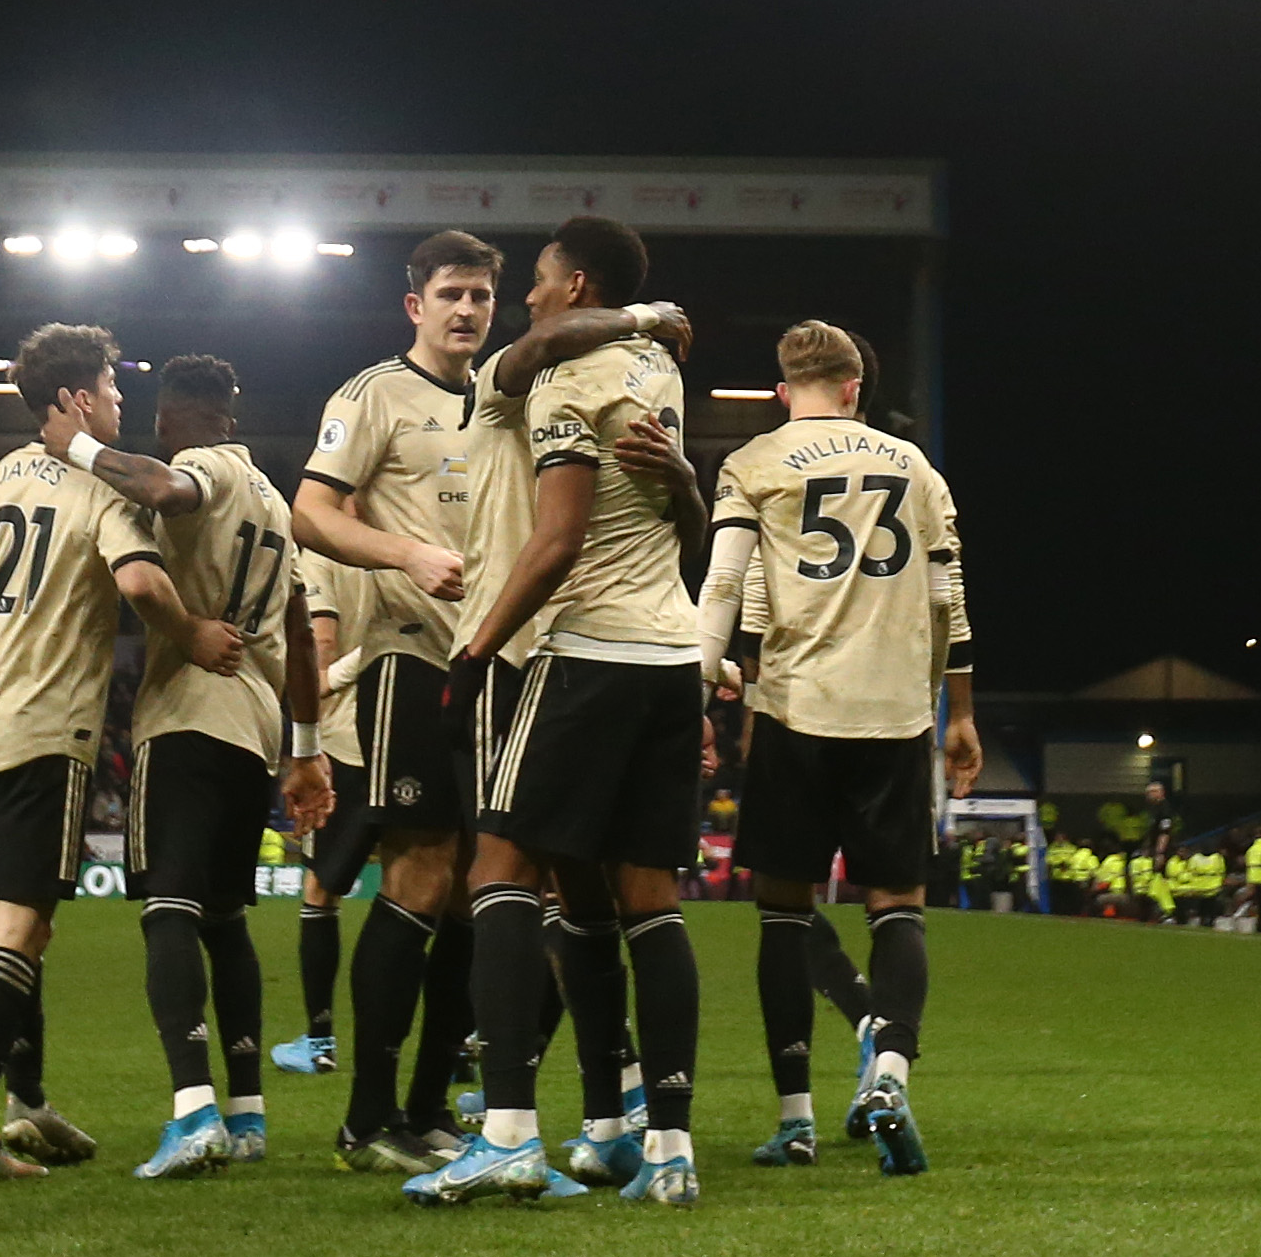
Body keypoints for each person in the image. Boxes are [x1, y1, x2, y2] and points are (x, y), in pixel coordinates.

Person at [288, 232, 683, 1174]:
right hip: (417, 659)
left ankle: (439, 1109)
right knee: (424, 871)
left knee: (502, 887)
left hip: (524, 657)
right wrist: (407, 554)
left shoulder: (524, 380)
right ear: (413, 305)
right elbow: (308, 510)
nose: (467, 310)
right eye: (450, 294)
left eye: (482, 294)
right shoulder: (374, 392)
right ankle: (369, 1117)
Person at [407, 216, 712, 1208]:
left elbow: (559, 538)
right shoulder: (654, 369)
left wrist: (476, 645)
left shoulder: (560, 377)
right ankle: (656, 1140)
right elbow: (678, 521)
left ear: (571, 282)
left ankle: (502, 1132)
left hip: (579, 651)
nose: (525, 296)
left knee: (499, 866)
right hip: (671, 655)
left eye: (538, 279)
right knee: (639, 897)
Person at [0, 319, 196, 1182]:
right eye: (114, 388)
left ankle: (26, 1100)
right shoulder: (101, 490)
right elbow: (143, 583)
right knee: (23, 925)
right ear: (77, 400)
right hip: (47, 729)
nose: (123, 400)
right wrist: (192, 640)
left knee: (20, 920)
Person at [703, 318, 978, 1176]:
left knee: (782, 913)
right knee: (896, 905)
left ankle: (795, 1119)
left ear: (784, 393)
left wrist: (698, 681)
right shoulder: (916, 470)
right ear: (856, 388)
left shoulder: (752, 463)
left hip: (796, 708)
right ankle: (890, 1069)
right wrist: (960, 715)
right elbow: (949, 599)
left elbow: (728, 585)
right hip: (896, 713)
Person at [92, 355, 335, 1180]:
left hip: (191, 709)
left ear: (170, 419)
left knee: (169, 909)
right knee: (227, 917)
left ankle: (191, 1110)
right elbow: (301, 635)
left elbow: (163, 493)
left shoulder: (198, 469)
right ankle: (245, 1112)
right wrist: (305, 751)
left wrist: (77, 451)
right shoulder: (271, 496)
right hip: (258, 727)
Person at [277, 548, 362, 1081]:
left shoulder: (327, 555)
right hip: (417, 725)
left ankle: (319, 1040)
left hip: (346, 743)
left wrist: (326, 681)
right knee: (433, 888)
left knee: (320, 891)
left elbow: (321, 643)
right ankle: (463, 1046)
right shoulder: (413, 538)